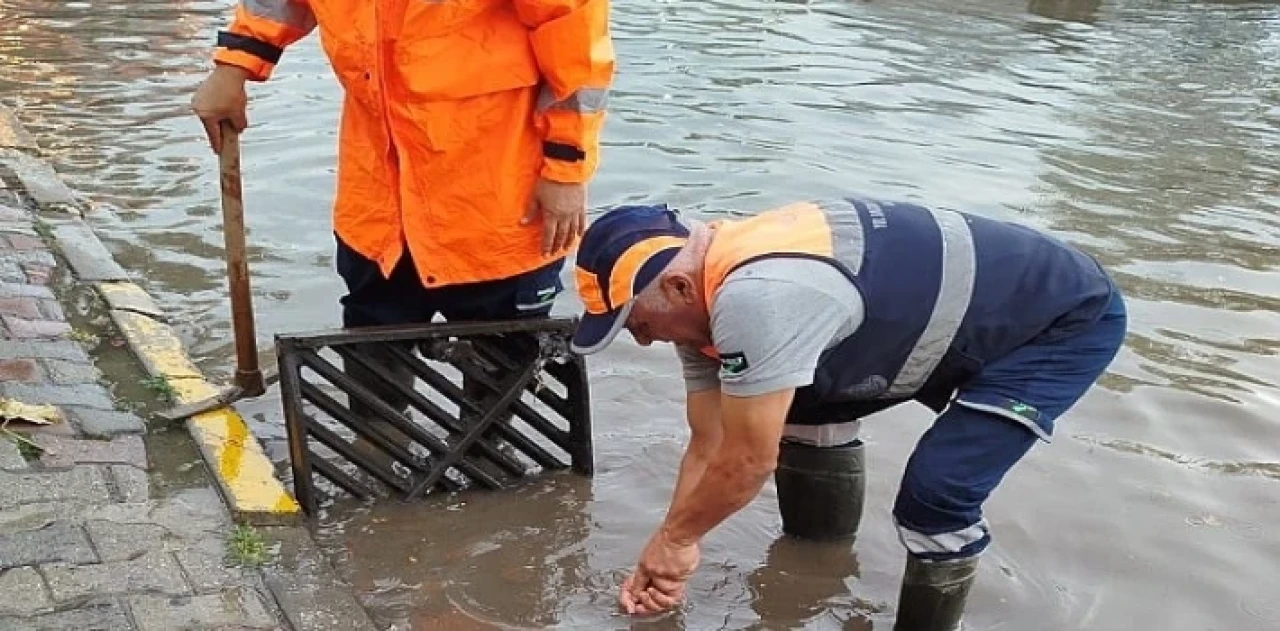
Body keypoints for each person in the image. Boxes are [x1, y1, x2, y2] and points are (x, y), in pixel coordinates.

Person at [567, 196, 1127, 629]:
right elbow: (709, 441)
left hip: (1056, 322)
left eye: (638, 325)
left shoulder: (757, 299)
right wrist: (673, 540)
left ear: (679, 285)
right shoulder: (700, 300)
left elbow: (746, 461)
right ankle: (817, 565)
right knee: (796, 402)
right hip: (936, 319)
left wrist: (677, 541)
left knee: (936, 497)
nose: (643, 343)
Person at [190, 0, 614, 463]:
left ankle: (483, 454)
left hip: (495, 184)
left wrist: (566, 167)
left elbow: (576, 41)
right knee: (375, 327)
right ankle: (377, 449)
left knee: (502, 347)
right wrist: (233, 65)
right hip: (378, 185)